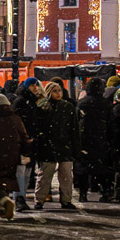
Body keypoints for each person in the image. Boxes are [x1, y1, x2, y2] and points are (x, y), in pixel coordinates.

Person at [33, 79, 79, 210]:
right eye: (55, 91)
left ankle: (65, 200)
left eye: (59, 90)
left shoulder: (66, 107)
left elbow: (74, 128)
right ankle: (40, 199)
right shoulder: (44, 107)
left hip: (61, 145)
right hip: (53, 145)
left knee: (65, 176)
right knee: (46, 175)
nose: (58, 93)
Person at [75, 77, 113, 203]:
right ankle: (105, 191)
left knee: (84, 168)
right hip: (101, 139)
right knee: (102, 168)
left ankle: (83, 193)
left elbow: (76, 121)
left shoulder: (82, 103)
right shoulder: (105, 103)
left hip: (85, 139)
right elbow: (111, 123)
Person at [11, 77, 45, 211]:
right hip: (24, 141)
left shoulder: (30, 101)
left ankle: (21, 197)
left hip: (29, 141)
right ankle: (20, 198)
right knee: (22, 170)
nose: (35, 88)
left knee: (27, 171)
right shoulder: (22, 101)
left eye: (36, 85)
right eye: (32, 85)